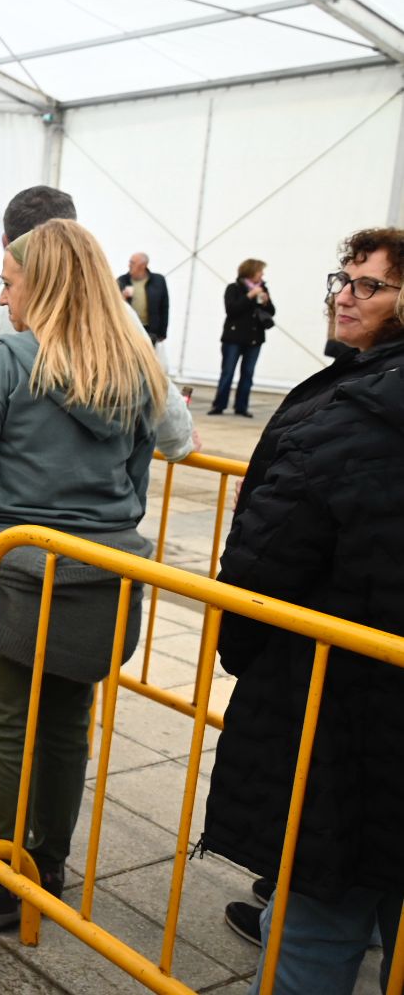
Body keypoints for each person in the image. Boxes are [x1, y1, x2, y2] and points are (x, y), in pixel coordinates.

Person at [0, 219, 166, 929]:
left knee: (3, 723)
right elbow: (137, 476)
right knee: (68, 726)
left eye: (11, 280)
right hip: (101, 574)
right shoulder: (135, 365)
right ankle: (46, 866)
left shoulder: (12, 361)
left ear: (47, 283)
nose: (3, 298)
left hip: (12, 572)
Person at [203, 228, 404, 993]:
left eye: (369, 285)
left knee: (322, 910)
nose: (344, 295)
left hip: (341, 709)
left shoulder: (349, 414)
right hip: (356, 691)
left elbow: (262, 563)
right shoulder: (351, 395)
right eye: (343, 279)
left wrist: (246, 650)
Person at [0, 186, 197, 500]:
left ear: (5, 244)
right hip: (97, 529)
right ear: (76, 237)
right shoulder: (118, 318)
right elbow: (170, 423)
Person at [209, 258, 275, 418]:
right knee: (228, 372)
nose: (262, 274)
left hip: (254, 339)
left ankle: (241, 406)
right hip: (233, 338)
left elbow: (271, 312)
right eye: (260, 271)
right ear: (251, 272)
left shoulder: (263, 288)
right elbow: (231, 310)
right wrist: (250, 295)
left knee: (248, 374)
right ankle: (219, 405)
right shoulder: (233, 288)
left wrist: (266, 303)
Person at [117, 252, 169, 365]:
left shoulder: (158, 281)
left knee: (147, 362)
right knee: (127, 360)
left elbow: (164, 306)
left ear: (143, 265)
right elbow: (113, 304)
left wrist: (162, 332)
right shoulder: (122, 280)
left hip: (150, 330)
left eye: (132, 262)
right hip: (128, 329)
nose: (129, 265)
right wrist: (122, 298)